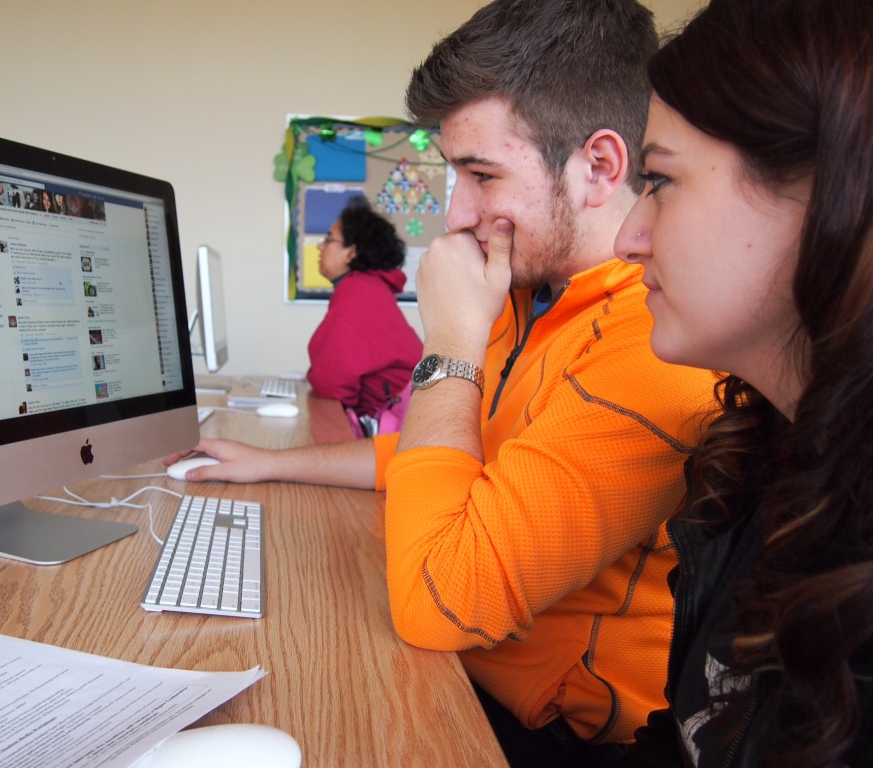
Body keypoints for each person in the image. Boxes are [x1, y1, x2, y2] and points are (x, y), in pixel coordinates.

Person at [168, 1, 717, 763]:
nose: (454, 213)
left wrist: (453, 337)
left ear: (598, 166)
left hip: (553, 730)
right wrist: (271, 462)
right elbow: (446, 463)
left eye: (481, 174)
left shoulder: (653, 343)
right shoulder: (524, 293)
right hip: (457, 668)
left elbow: (443, 603)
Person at [613, 1, 873, 766]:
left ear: (833, 190)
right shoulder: (759, 459)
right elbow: (684, 739)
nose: (630, 237)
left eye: (659, 179)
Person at [306, 197, 422, 428]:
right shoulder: (368, 288)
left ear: (351, 252)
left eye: (329, 239)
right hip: (402, 418)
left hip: (397, 426)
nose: (320, 246)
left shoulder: (359, 291)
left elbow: (331, 383)